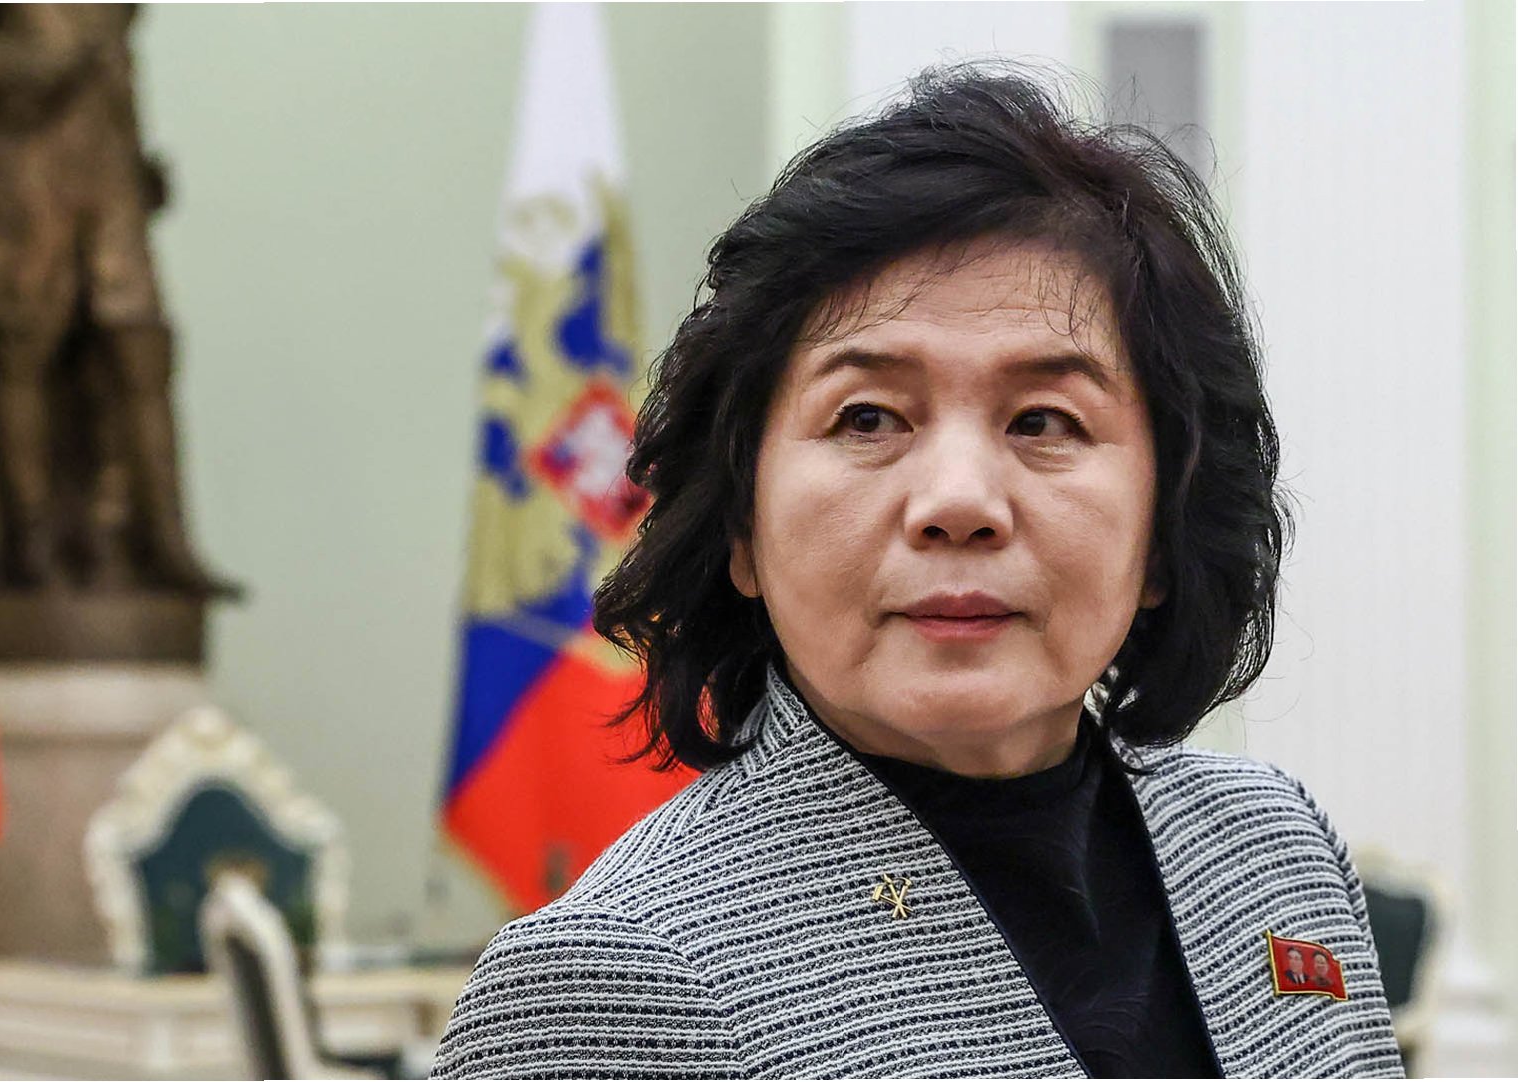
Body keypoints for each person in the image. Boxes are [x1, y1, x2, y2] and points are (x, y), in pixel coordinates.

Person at [431, 65, 1402, 1080]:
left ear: (1164, 530)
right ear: (741, 526)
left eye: (1044, 421)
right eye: (868, 418)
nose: (959, 501)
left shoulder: (1273, 847)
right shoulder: (608, 978)